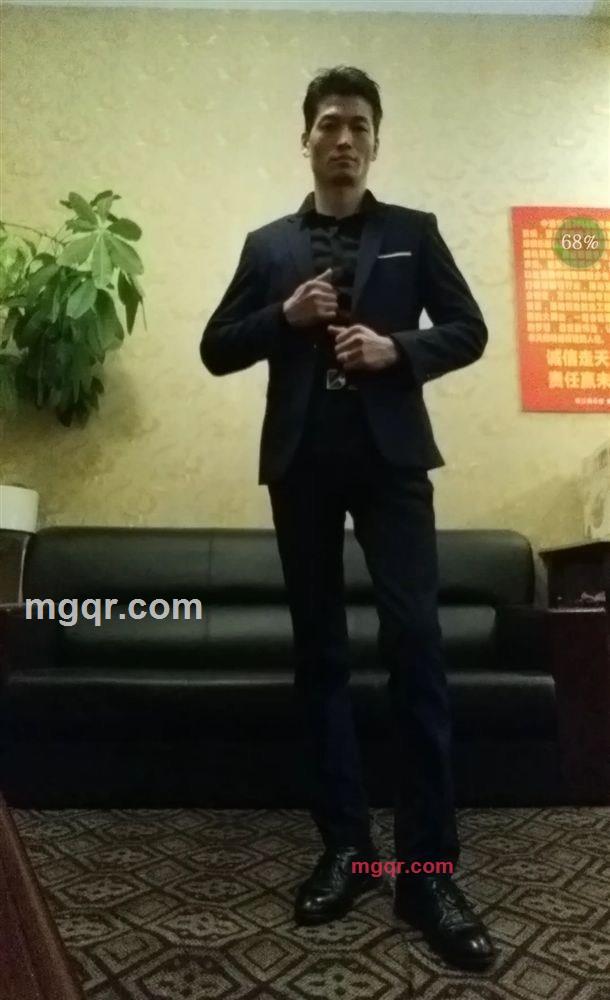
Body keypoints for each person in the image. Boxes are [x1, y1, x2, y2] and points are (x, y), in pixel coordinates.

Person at [200, 65, 496, 972]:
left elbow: (470, 329)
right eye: (329, 122)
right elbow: (216, 348)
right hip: (302, 464)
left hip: (392, 463)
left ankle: (427, 872)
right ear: (307, 138)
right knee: (320, 653)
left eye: (359, 124)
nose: (344, 137)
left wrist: (396, 349)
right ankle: (347, 851)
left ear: (375, 140)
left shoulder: (414, 233)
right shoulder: (267, 246)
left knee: (417, 647)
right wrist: (284, 317)